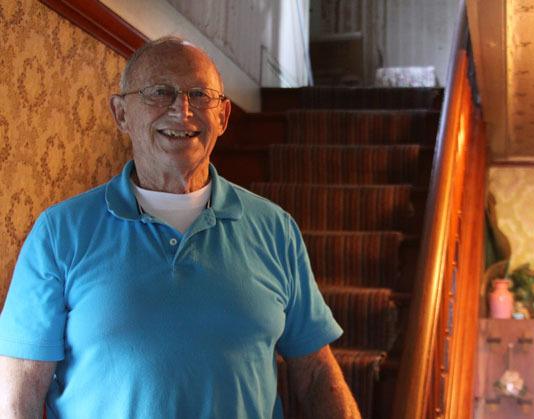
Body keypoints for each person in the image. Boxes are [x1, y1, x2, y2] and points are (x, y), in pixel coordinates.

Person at [0, 37, 360, 419]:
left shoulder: (276, 229)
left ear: (222, 117)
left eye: (199, 95)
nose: (182, 110)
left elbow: (317, 372)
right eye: (160, 92)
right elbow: (19, 390)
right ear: (121, 113)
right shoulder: (60, 231)